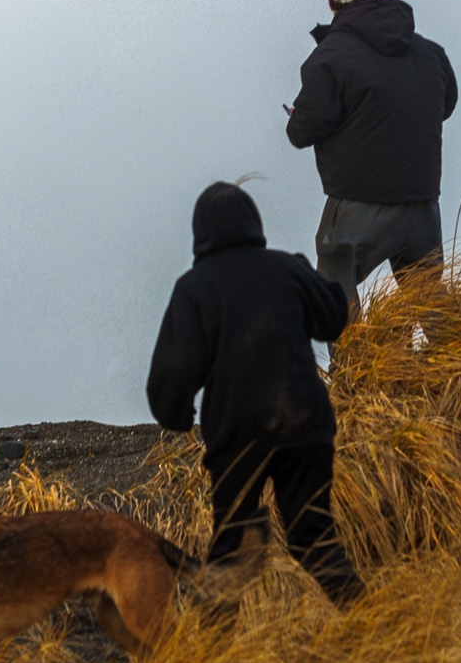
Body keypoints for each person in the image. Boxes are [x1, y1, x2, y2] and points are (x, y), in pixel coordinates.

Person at [146, 181, 362, 606]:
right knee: (314, 539)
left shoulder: (194, 288)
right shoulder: (288, 267)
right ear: (254, 223)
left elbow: (176, 368)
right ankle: (371, 623)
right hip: (306, 425)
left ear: (200, 233)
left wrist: (177, 416)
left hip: (240, 434)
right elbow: (332, 320)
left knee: (232, 551)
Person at [285, 0, 458, 318]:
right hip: (422, 201)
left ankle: (352, 373)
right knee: (427, 294)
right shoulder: (430, 52)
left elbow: (301, 131)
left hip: (360, 204)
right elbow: (447, 104)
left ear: (332, 5)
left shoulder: (327, 59)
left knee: (334, 277)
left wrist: (300, 114)